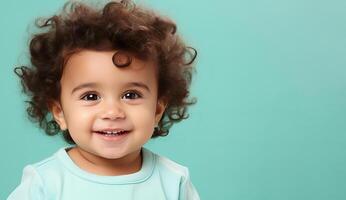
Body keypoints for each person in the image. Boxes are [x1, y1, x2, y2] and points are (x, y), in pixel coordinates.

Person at [8, 0, 199, 199]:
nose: (112, 112)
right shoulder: (44, 184)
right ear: (59, 112)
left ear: (158, 110)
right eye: (91, 96)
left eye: (131, 95)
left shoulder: (173, 181)